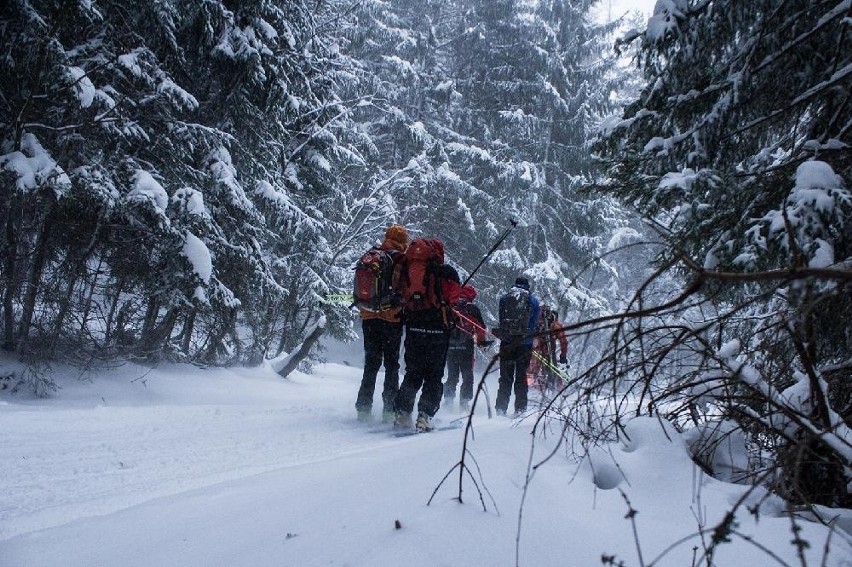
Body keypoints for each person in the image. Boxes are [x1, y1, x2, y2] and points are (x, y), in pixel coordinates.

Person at [393, 238, 462, 431]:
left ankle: (402, 413)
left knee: (413, 372)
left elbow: (399, 292)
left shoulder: (407, 268)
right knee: (433, 375)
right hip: (437, 330)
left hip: (413, 326)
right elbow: (455, 297)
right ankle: (424, 416)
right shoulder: (446, 272)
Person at [354, 224, 409, 423]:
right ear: (403, 241)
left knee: (371, 364)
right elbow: (405, 288)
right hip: (391, 319)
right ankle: (389, 410)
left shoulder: (372, 254)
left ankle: (363, 408)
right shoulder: (400, 259)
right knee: (392, 365)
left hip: (368, 316)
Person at [494, 276, 540, 417]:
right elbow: (534, 323)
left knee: (505, 377)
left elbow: (502, 319)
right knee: (521, 377)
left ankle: (501, 408)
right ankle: (520, 409)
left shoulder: (504, 298)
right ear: (527, 286)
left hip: (507, 343)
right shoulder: (533, 301)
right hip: (524, 344)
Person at [444, 284, 487, 412]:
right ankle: (464, 401)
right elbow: (480, 329)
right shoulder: (472, 309)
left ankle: (448, 399)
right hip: (466, 347)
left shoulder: (450, 306)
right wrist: (481, 342)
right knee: (467, 375)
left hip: (450, 347)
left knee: (452, 375)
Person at [527, 304, 568, 393]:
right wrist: (563, 356)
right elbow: (563, 342)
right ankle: (554, 391)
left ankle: (530, 390)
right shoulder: (555, 325)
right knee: (552, 371)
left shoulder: (532, 321)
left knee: (530, 371)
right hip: (548, 353)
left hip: (532, 351)